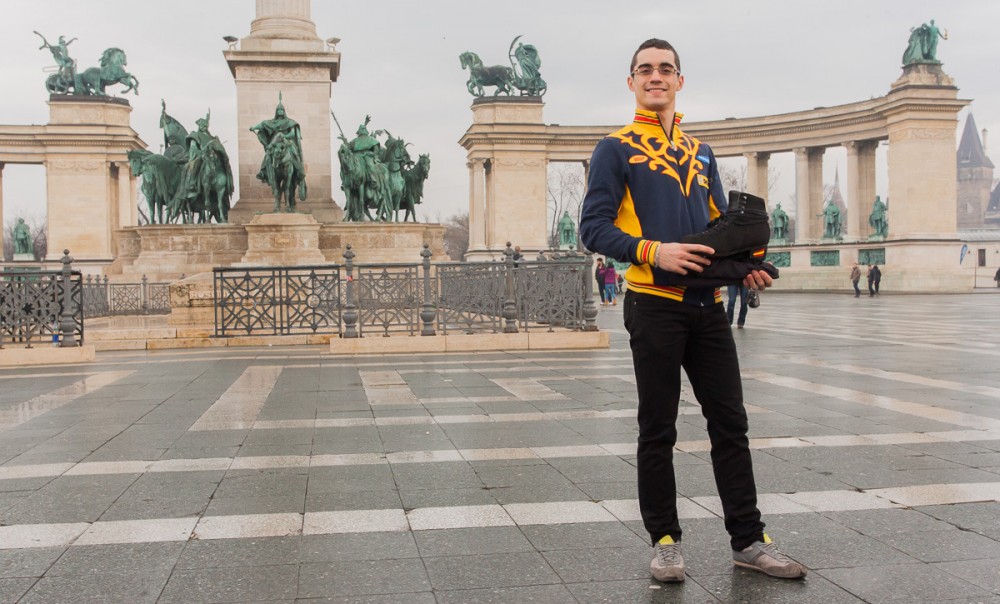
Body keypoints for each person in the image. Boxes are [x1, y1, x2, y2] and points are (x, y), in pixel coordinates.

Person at [579, 38, 805, 582]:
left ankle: (748, 541)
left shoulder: (702, 152)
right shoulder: (614, 148)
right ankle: (665, 541)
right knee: (657, 429)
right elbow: (593, 227)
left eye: (666, 69)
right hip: (653, 305)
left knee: (731, 424)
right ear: (631, 82)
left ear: (680, 80)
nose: (655, 77)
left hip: (708, 309)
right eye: (645, 70)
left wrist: (745, 265)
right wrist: (654, 250)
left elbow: (722, 232)